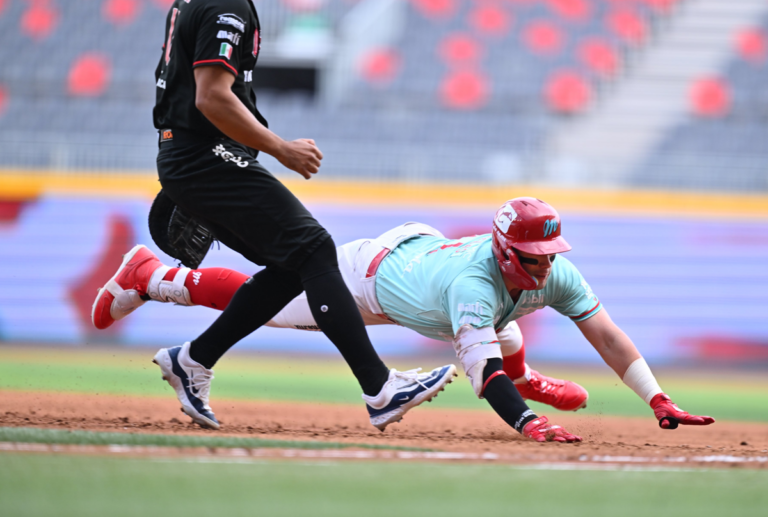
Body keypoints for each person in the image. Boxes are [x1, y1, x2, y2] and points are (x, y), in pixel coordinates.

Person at [91, 0, 457, 432]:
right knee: (314, 249)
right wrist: (280, 147)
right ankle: (380, 388)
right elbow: (212, 98)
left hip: (191, 156)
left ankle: (194, 359)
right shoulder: (226, 5)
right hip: (204, 157)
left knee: (292, 265)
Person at [93, 197, 716, 442]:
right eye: (534, 258)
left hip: (420, 261)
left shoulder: (547, 274)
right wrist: (526, 423)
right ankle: (153, 276)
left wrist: (657, 398)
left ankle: (528, 377)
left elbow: (604, 332)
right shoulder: (476, 285)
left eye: (551, 256)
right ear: (505, 252)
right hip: (373, 279)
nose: (546, 268)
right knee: (272, 306)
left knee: (510, 322)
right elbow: (480, 376)